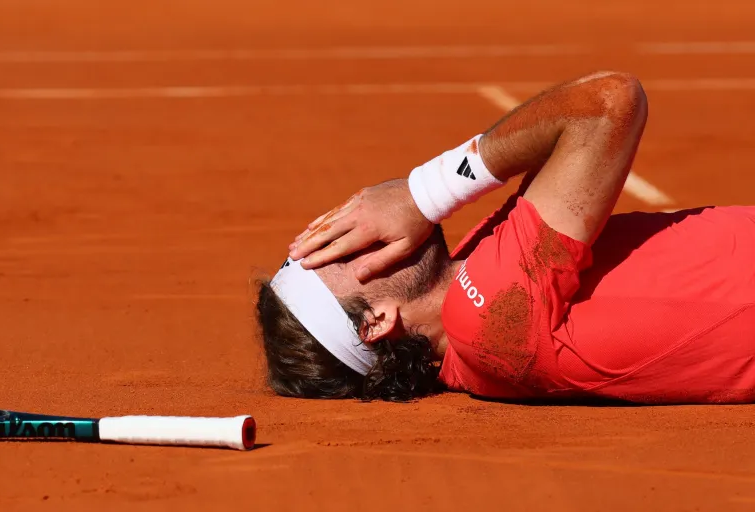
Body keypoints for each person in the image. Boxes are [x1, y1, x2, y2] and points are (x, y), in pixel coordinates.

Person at [255, 71, 755, 404]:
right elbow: (605, 103)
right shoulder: (485, 318)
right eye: (334, 254)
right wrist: (421, 194)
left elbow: (550, 146)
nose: (352, 232)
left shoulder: (470, 283)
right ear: (377, 323)